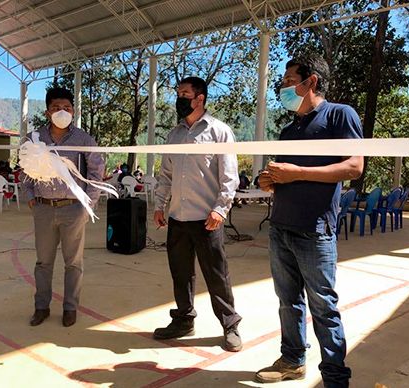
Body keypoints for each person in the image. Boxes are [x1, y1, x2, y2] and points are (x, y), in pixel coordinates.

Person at [255, 55, 363, 387]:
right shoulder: (290, 130)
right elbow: (285, 174)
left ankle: (335, 378)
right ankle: (292, 360)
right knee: (288, 302)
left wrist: (297, 173)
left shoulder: (339, 115)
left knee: (324, 308)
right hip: (281, 227)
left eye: (289, 81)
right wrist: (269, 179)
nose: (283, 88)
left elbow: (354, 167)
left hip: (315, 231)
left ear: (310, 81)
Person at [153, 76, 242, 352]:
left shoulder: (219, 132)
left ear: (200, 98)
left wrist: (221, 209)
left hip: (207, 220)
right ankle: (183, 319)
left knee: (217, 275)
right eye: (178, 93)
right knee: (180, 274)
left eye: (184, 93)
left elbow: (229, 176)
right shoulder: (174, 135)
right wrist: (159, 205)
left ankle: (230, 325)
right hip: (178, 218)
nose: (179, 98)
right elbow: (165, 174)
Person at [23, 87, 104, 328]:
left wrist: (88, 203)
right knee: (43, 262)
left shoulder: (84, 140)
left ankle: (70, 307)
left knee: (73, 262)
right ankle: (41, 307)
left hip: (73, 209)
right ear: (48, 112)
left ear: (74, 111)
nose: (62, 112)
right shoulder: (34, 139)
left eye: (67, 108)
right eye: (57, 108)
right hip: (44, 208)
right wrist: (29, 195)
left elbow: (97, 172)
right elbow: (24, 170)